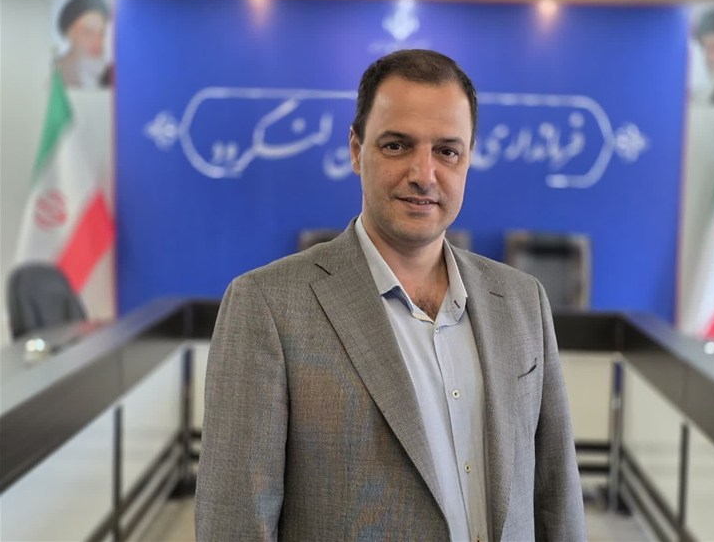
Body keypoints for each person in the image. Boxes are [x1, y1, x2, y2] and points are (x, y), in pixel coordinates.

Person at [195, 49, 586, 541]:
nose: (424, 174)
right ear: (355, 150)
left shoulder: (523, 300)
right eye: (397, 145)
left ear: (469, 157)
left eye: (447, 151)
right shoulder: (267, 307)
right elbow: (234, 524)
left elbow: (556, 496)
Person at [54, 0, 113, 89]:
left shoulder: (108, 74)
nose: (97, 41)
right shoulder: (56, 73)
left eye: (101, 33)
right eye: (88, 32)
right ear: (70, 33)